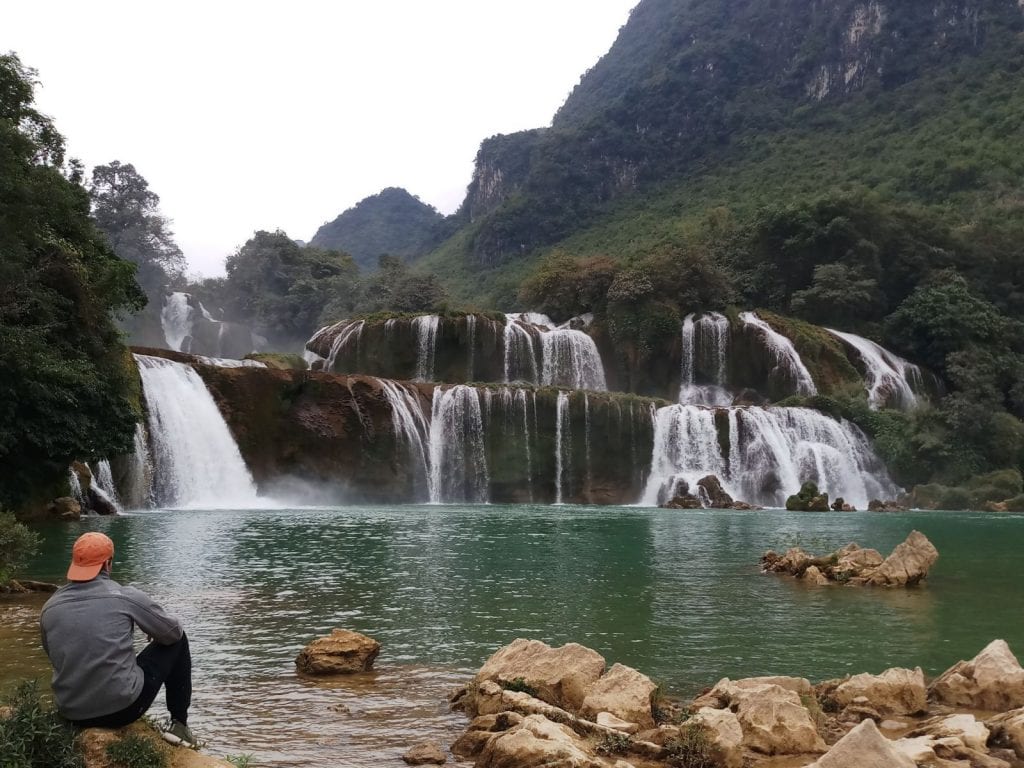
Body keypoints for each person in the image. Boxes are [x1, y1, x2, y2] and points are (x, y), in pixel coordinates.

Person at [39, 531, 197, 748]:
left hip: (71, 713)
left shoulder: (49, 607)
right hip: (122, 710)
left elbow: (53, 654)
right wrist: (152, 629)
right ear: (107, 564)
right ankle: (180, 726)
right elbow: (173, 631)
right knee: (179, 640)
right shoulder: (124, 596)